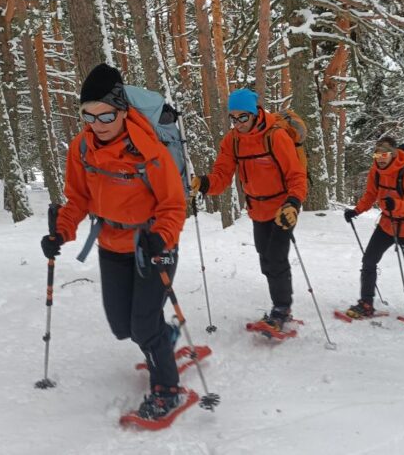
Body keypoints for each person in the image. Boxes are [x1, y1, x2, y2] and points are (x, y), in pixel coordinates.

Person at [39, 63, 187, 420]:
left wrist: (161, 237)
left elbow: (173, 205)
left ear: (122, 110)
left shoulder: (148, 150)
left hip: (152, 246)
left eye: (105, 116)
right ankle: (164, 338)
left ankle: (167, 389)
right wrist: (61, 230)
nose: (96, 125)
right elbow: (77, 199)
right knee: (122, 327)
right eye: (87, 117)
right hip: (110, 244)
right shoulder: (82, 148)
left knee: (142, 324)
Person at [191, 88, 307, 332]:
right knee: (265, 258)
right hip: (257, 209)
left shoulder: (275, 136)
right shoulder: (232, 140)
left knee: (276, 257)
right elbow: (221, 175)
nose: (237, 123)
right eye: (233, 118)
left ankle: (281, 310)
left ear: (255, 114)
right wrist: (204, 183)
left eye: (242, 117)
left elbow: (296, 175)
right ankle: (280, 305)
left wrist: (293, 203)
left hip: (283, 208)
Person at [343, 136, 404, 322]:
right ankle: (366, 303)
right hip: (386, 225)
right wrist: (356, 211)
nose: (381, 157)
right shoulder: (376, 172)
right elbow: (370, 195)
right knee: (369, 260)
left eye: (384, 153)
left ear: (393, 154)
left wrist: (398, 205)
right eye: (377, 153)